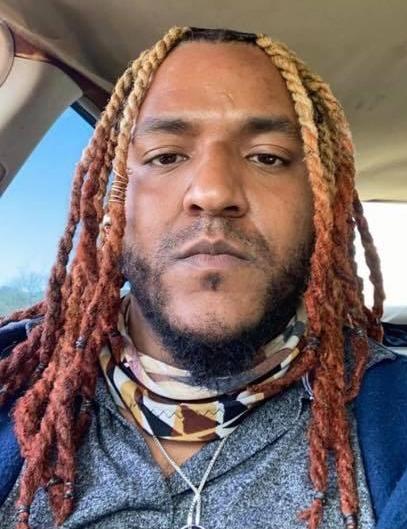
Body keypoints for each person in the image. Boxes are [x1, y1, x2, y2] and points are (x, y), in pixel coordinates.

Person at [0, 26, 406, 529]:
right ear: (114, 203)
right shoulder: (16, 382)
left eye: (268, 157)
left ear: (322, 209)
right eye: (166, 156)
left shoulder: (395, 418)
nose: (212, 193)